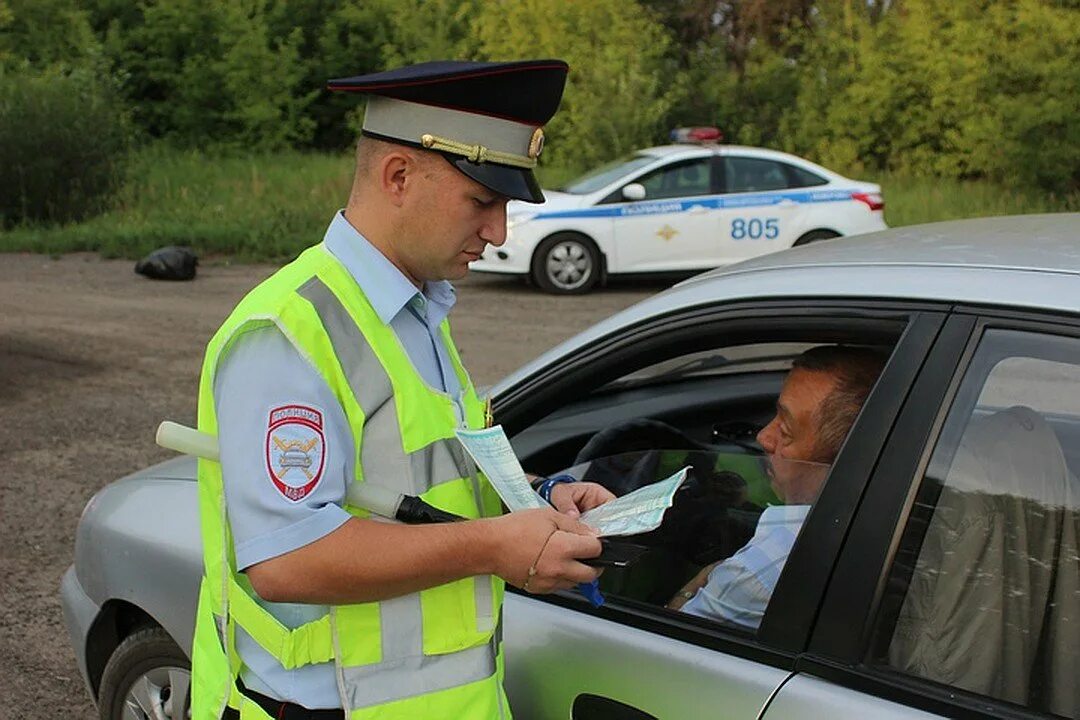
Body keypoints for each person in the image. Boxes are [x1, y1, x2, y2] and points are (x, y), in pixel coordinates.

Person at [190, 60, 615, 720]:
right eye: (483, 201)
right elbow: (286, 559)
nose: (500, 232)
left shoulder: (416, 311)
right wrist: (492, 547)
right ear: (397, 177)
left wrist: (538, 500)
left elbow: (420, 485)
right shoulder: (289, 331)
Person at [666, 345, 886, 630]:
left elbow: (665, 643)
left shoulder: (756, 574)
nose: (763, 436)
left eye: (785, 431)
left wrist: (696, 583)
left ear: (842, 464)